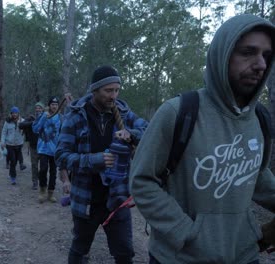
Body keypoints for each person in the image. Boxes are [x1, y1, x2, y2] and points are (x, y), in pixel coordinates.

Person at [129, 14, 275, 264]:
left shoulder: (259, 118)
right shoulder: (178, 112)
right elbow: (142, 181)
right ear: (223, 54)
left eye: (266, 55)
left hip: (244, 255)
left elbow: (256, 175)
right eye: (248, 52)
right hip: (180, 257)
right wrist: (185, 231)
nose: (260, 64)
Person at [55, 65, 148, 263]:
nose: (113, 95)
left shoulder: (123, 113)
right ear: (95, 90)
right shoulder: (75, 116)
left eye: (116, 90)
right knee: (80, 250)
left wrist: (131, 134)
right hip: (86, 199)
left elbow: (148, 129)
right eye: (108, 90)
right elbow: (61, 156)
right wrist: (93, 160)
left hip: (117, 198)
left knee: (124, 252)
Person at [33, 96, 63, 203]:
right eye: (52, 104)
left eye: (56, 104)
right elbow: (35, 129)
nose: (54, 106)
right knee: (43, 170)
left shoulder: (60, 117)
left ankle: (51, 193)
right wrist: (43, 118)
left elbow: (63, 132)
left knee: (53, 172)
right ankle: (42, 190)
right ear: (49, 105)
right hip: (43, 148)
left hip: (55, 149)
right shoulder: (42, 115)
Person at [19, 102, 45, 190]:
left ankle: (42, 180)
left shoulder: (46, 118)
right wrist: (33, 122)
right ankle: (35, 182)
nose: (38, 109)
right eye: (37, 108)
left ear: (43, 109)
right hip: (33, 146)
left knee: (43, 166)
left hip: (44, 146)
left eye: (40, 108)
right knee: (34, 165)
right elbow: (21, 125)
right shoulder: (30, 118)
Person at [0, 106, 25, 185]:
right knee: (13, 161)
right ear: (11, 113)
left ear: (18, 113)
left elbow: (27, 129)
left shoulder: (22, 121)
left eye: (16, 113)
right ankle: (13, 178)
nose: (14, 114)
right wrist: (2, 142)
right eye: (13, 113)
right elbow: (4, 132)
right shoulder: (7, 122)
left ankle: (20, 165)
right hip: (9, 144)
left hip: (19, 143)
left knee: (16, 160)